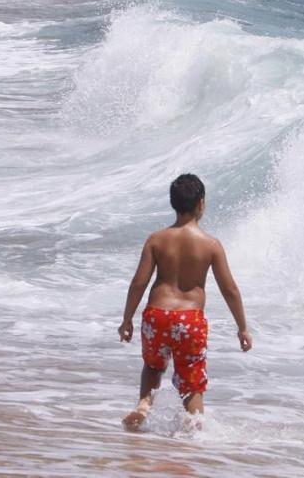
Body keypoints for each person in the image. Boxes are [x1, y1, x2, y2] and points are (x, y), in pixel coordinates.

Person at [117, 173, 252, 431]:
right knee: (191, 381)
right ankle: (194, 426)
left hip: (156, 315)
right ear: (201, 203)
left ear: (173, 203)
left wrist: (126, 320)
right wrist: (242, 327)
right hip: (190, 320)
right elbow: (229, 289)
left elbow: (138, 282)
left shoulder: (156, 239)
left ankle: (144, 404)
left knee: (153, 367)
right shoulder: (211, 245)